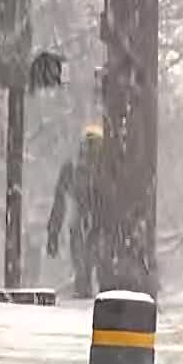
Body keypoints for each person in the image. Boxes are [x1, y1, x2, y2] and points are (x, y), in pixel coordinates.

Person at [47, 121, 106, 299]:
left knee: (86, 257)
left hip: (92, 219)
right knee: (87, 258)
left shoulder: (74, 167)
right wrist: (53, 232)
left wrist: (53, 232)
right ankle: (86, 285)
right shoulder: (77, 167)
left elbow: (60, 201)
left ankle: (86, 285)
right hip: (94, 219)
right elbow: (59, 201)